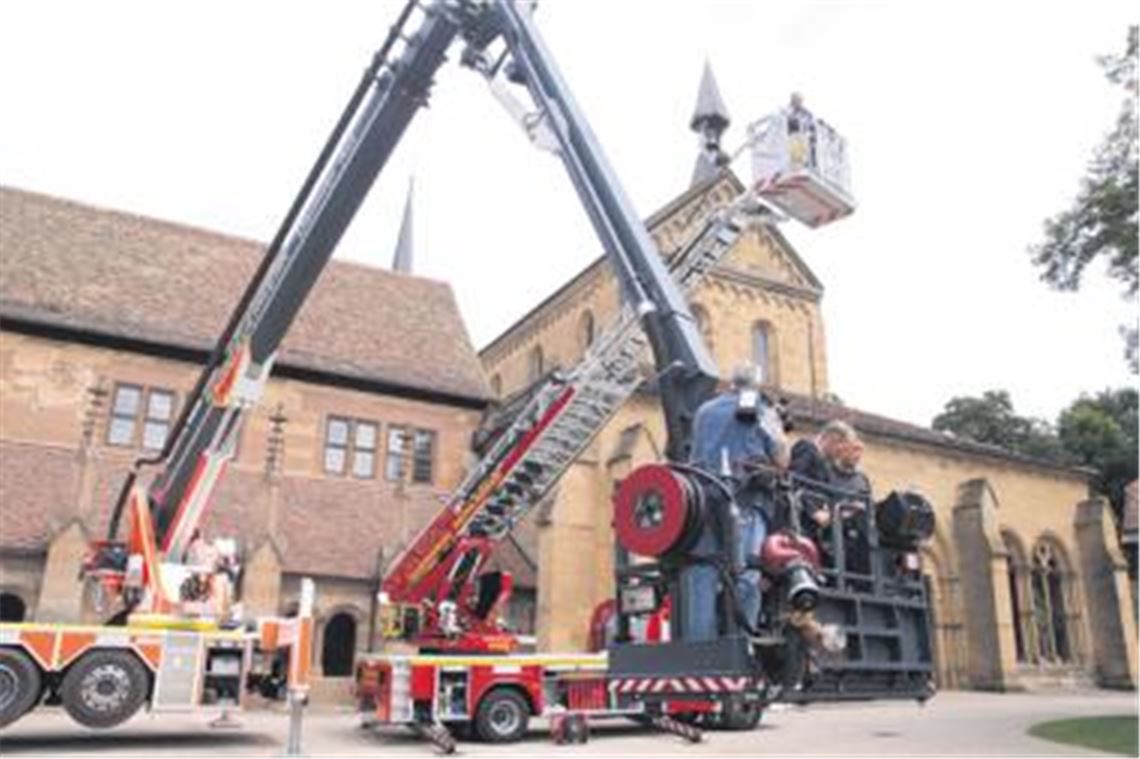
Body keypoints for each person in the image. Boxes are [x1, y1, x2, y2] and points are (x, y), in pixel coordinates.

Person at [683, 365, 788, 640]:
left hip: (701, 500)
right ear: (755, 385)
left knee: (702, 571)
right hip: (745, 499)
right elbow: (781, 459)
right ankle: (740, 646)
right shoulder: (761, 410)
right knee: (747, 571)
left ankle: (701, 650)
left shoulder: (704, 411)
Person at [789, 420, 872, 566]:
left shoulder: (824, 464)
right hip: (799, 521)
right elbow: (795, 481)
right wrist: (814, 512)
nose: (838, 455)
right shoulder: (806, 447)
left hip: (814, 526)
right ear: (832, 440)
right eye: (839, 450)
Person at [785, 92, 817, 171]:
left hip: (803, 138)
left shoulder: (806, 113)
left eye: (799, 100)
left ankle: (811, 164)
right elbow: (787, 122)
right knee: (795, 148)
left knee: (809, 145)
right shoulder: (787, 112)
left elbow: (811, 124)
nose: (797, 102)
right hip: (793, 138)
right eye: (795, 100)